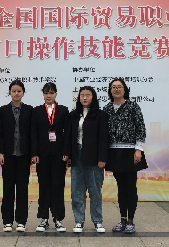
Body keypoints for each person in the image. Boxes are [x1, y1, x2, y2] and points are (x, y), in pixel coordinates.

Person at [103, 78, 147, 234]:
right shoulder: (107, 108)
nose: (116, 89)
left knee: (130, 186)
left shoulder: (133, 106)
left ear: (124, 89)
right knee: (121, 187)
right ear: (110, 90)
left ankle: (131, 221)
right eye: (113, 87)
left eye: (119, 87)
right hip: (114, 152)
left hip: (130, 151)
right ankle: (122, 219)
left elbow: (140, 128)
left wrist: (138, 149)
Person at [30, 82, 70, 232]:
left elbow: (67, 133)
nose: (49, 95)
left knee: (58, 186)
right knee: (44, 186)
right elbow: (33, 133)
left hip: (59, 155)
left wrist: (66, 152)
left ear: (56, 94)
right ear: (43, 94)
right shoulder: (37, 111)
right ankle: (44, 219)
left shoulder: (63, 110)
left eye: (51, 93)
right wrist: (34, 153)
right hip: (42, 155)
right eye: (46, 93)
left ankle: (58, 219)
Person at [69, 86, 109, 233]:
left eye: (88, 95)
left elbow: (104, 138)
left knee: (95, 191)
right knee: (77, 191)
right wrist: (69, 155)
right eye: (82, 95)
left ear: (93, 97)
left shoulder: (100, 115)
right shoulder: (73, 115)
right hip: (77, 156)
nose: (85, 98)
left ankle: (98, 221)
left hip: (94, 157)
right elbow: (69, 137)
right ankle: (79, 221)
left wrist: (102, 158)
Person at [0, 79, 33, 232]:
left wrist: (33, 154)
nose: (16, 93)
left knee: (23, 188)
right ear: (10, 93)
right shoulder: (3, 110)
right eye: (14, 91)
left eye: (19, 91)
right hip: (8, 155)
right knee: (8, 188)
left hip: (24, 155)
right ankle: (7, 221)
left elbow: (32, 134)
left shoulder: (29, 110)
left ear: (23, 92)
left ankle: (21, 221)